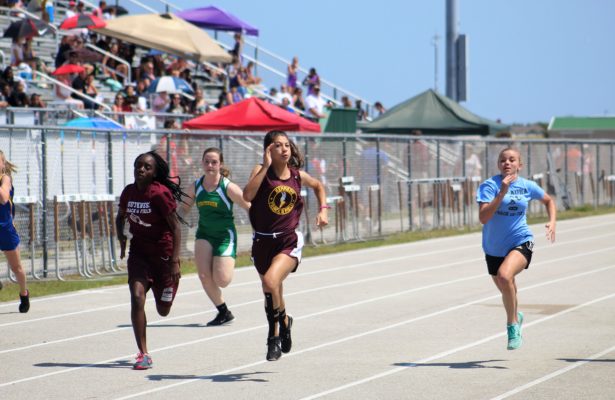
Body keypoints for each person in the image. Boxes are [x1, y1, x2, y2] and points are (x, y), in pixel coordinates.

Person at [243, 130, 329, 361]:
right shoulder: (260, 173)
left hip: (287, 240)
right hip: (262, 240)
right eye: (277, 145)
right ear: (268, 150)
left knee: (271, 281)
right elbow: (248, 196)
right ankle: (284, 321)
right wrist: (264, 166)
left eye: (286, 145)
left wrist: (323, 210)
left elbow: (319, 186)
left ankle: (273, 339)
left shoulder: (297, 175)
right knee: (272, 289)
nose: (284, 149)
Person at [477, 147, 556, 350]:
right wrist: (502, 192)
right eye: (503, 160)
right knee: (506, 287)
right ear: (498, 165)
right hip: (494, 247)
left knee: (505, 276)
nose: (507, 163)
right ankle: (516, 315)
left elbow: (548, 200)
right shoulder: (489, 186)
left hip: (521, 240)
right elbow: (483, 218)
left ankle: (512, 326)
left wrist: (552, 221)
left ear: (519, 165)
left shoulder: (527, 186)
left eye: (512, 160)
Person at [116, 151, 187, 370]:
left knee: (163, 310)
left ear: (155, 172)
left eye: (147, 167)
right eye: (138, 165)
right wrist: (122, 239)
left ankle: (169, 286)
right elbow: (120, 217)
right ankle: (143, 353)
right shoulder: (128, 192)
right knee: (137, 298)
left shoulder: (159, 193)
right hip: (139, 253)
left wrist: (174, 261)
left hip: (163, 255)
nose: (141, 169)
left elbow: (175, 227)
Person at [179, 148, 250, 326]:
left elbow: (249, 206)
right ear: (202, 163)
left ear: (220, 164)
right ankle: (224, 312)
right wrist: (171, 222)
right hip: (204, 234)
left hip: (225, 236)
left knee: (222, 280)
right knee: (204, 275)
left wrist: (261, 231)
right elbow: (183, 208)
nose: (210, 165)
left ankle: (220, 263)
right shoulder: (196, 185)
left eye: (214, 162)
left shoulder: (228, 187)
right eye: (207, 162)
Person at [0, 150, 30, 312]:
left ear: (3, 164)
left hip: (5, 229)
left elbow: (4, 198)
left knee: (16, 268)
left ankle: (24, 294)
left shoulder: (5, 179)